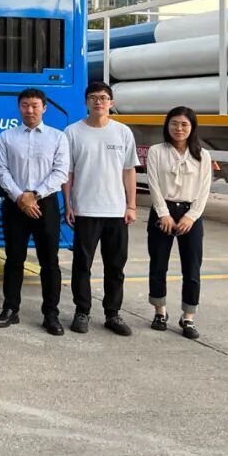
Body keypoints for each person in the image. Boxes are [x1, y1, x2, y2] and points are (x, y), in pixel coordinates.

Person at [0, 88, 70, 336]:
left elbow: (60, 172)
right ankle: (10, 309)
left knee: (50, 262)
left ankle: (51, 314)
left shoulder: (57, 137)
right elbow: (0, 169)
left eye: (35, 105)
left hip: (45, 203)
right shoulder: (7, 136)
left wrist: (34, 195)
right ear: (19, 107)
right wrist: (19, 196)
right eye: (25, 105)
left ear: (44, 108)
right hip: (15, 204)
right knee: (14, 259)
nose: (30, 110)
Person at [63, 81, 138, 336]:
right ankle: (82, 311)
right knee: (82, 265)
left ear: (111, 103)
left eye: (103, 98)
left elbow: (128, 171)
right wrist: (68, 204)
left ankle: (112, 314)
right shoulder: (73, 132)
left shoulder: (123, 132)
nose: (99, 102)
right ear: (86, 102)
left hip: (116, 211)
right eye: (93, 97)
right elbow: (68, 173)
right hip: (85, 210)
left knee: (115, 266)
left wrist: (131, 205)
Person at [145, 106, 211, 340]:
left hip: (190, 213)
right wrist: (163, 213)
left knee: (192, 267)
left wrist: (191, 216)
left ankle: (188, 316)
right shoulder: (156, 151)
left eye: (184, 124)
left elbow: (204, 189)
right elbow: (153, 184)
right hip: (162, 211)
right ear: (167, 125)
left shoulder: (202, 155)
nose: (179, 128)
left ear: (192, 127)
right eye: (174, 123)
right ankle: (160, 312)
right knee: (158, 264)